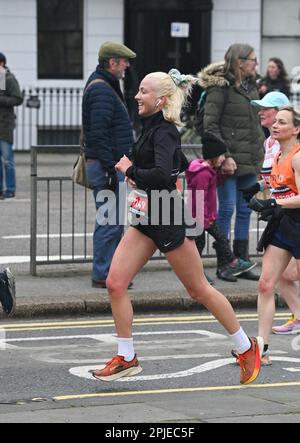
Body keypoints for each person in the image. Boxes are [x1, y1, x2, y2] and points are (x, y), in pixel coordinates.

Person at [90, 69, 263, 385]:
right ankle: (126, 356)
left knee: (198, 289)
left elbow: (162, 176)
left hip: (168, 218)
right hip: (145, 218)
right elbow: (175, 166)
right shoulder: (151, 127)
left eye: (143, 91)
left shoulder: (165, 131)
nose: (137, 96)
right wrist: (135, 171)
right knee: (115, 283)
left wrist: (133, 170)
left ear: (161, 99)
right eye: (138, 91)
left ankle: (245, 346)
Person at [197, 43, 265, 281]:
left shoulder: (251, 87)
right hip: (229, 161)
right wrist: (223, 156)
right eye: (253, 60)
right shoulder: (220, 88)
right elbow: (211, 126)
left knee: (245, 210)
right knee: (226, 209)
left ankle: (241, 262)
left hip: (250, 158)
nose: (257, 64)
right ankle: (224, 262)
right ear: (240, 62)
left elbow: (255, 122)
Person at [243, 92, 300, 341]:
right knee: (266, 284)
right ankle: (261, 348)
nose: (275, 125)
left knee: (289, 277)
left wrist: (275, 201)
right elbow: (273, 181)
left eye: (282, 122)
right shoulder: (276, 152)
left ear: (296, 129)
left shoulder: (297, 157)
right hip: (282, 222)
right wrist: (258, 190)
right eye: (275, 122)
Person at [82, 42, 136, 288]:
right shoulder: (102, 90)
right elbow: (99, 134)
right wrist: (109, 167)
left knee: (113, 222)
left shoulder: (106, 85)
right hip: (108, 166)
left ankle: (112, 273)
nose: (127, 66)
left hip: (112, 165)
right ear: (112, 62)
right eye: (124, 61)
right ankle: (103, 274)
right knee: (109, 221)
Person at [186, 132, 256, 282]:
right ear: (213, 156)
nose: (224, 158)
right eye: (222, 155)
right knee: (199, 246)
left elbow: (213, 185)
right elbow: (199, 199)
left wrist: (222, 176)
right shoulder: (202, 174)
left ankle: (233, 262)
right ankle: (197, 275)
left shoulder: (208, 172)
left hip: (207, 218)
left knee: (221, 239)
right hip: (199, 219)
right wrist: (203, 221)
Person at [0, 52, 23, 200]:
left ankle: (11, 189)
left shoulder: (8, 79)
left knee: (7, 159)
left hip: (5, 125)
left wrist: (1, 99)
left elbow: (17, 98)